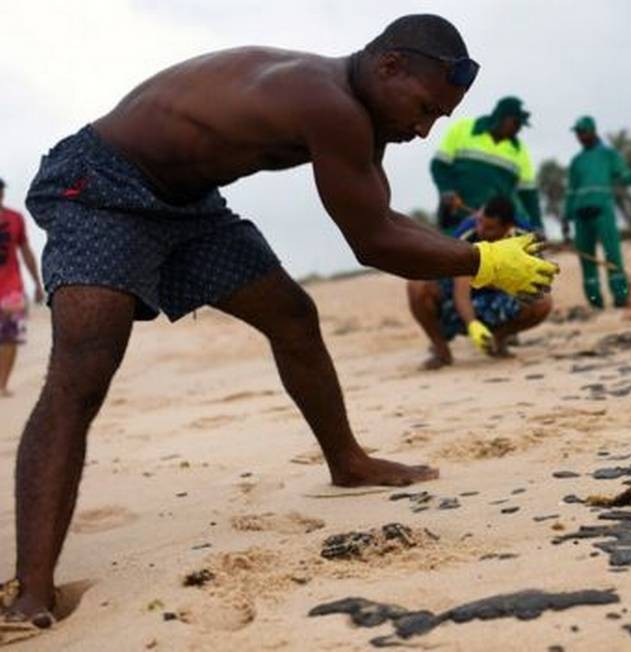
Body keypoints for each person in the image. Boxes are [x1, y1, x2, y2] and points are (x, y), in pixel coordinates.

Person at [5, 14, 558, 629]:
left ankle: (347, 462)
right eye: (425, 107)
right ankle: (32, 590)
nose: (424, 129)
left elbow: (384, 219)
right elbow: (372, 244)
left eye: (438, 118)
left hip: (188, 206)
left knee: (294, 316)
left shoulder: (362, 117)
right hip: (101, 183)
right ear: (390, 66)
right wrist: (481, 259)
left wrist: (480, 259)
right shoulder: (329, 102)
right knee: (82, 374)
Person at [407, 195, 552, 369]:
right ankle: (441, 351)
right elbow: (461, 290)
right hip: (459, 298)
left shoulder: (525, 239)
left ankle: (498, 338)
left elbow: (538, 281)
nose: (481, 230)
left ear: (507, 227)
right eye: (480, 222)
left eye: (490, 228)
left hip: (500, 298)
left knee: (543, 302)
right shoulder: (468, 234)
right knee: (416, 286)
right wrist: (472, 324)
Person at [563, 116, 631, 308]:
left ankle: (620, 297)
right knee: (586, 259)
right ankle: (595, 301)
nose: (580, 136)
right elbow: (570, 191)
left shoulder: (609, 155)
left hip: (602, 210)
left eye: (583, 132)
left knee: (612, 255)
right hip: (580, 214)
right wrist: (565, 218)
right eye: (577, 133)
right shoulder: (576, 161)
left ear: (593, 131)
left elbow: (624, 177)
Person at [430, 96, 542, 233]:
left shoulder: (520, 150)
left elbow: (528, 194)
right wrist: (447, 190)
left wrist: (537, 224)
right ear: (502, 117)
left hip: (495, 226)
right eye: (516, 123)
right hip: (456, 217)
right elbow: (439, 165)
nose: (518, 129)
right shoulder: (463, 129)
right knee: (451, 249)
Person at [0, 178, 45, 397]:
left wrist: (37, 283)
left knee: (10, 337)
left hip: (12, 289)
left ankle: (2, 384)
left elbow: (26, 252)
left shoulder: (15, 218)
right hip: (12, 289)